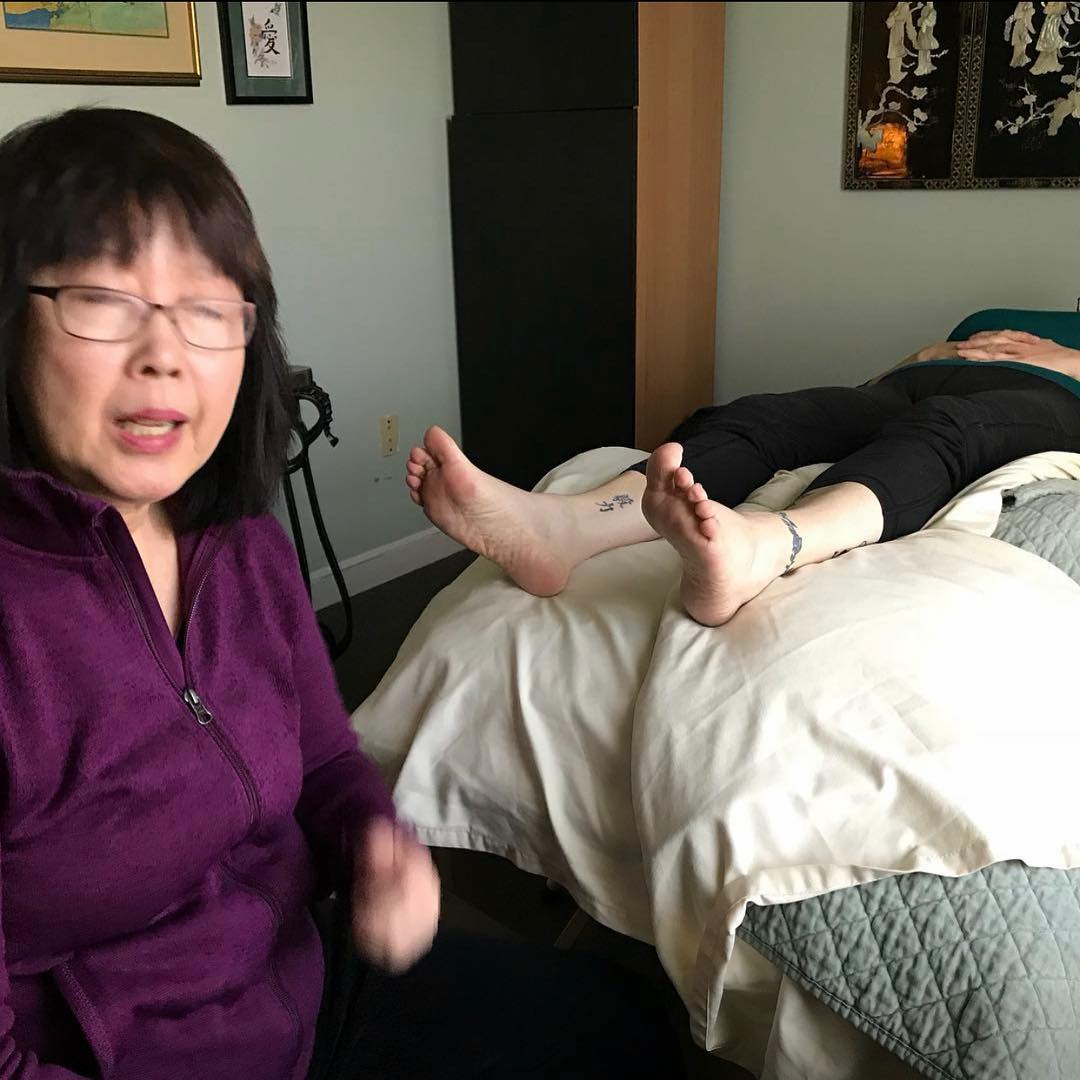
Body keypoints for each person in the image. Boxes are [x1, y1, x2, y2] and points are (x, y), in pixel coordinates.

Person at [0, 107, 682, 1079]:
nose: (166, 353)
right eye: (105, 300)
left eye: (208, 309)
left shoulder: (241, 546)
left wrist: (375, 842)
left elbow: (323, 758)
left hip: (297, 978)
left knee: (626, 1024)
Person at [407, 330, 1080, 627]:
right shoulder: (970, 326)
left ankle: (766, 545)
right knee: (766, 417)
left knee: (949, 428)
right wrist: (925, 354)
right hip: (910, 380)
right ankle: (562, 528)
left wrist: (1065, 355)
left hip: (1048, 399)